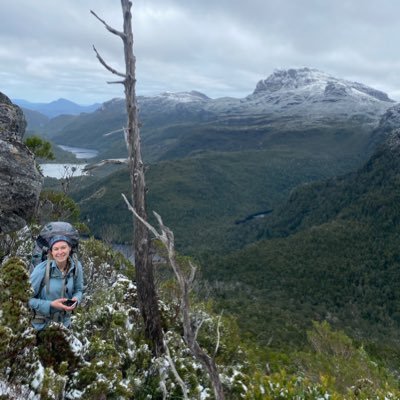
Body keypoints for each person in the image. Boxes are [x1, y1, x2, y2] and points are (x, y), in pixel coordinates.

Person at [28, 235, 84, 330]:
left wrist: (76, 299)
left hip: (64, 327)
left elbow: (79, 290)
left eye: (63, 247)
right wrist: (50, 305)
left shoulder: (76, 267)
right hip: (41, 327)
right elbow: (26, 299)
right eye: (56, 249)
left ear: (69, 248)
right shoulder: (41, 270)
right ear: (51, 252)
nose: (60, 252)